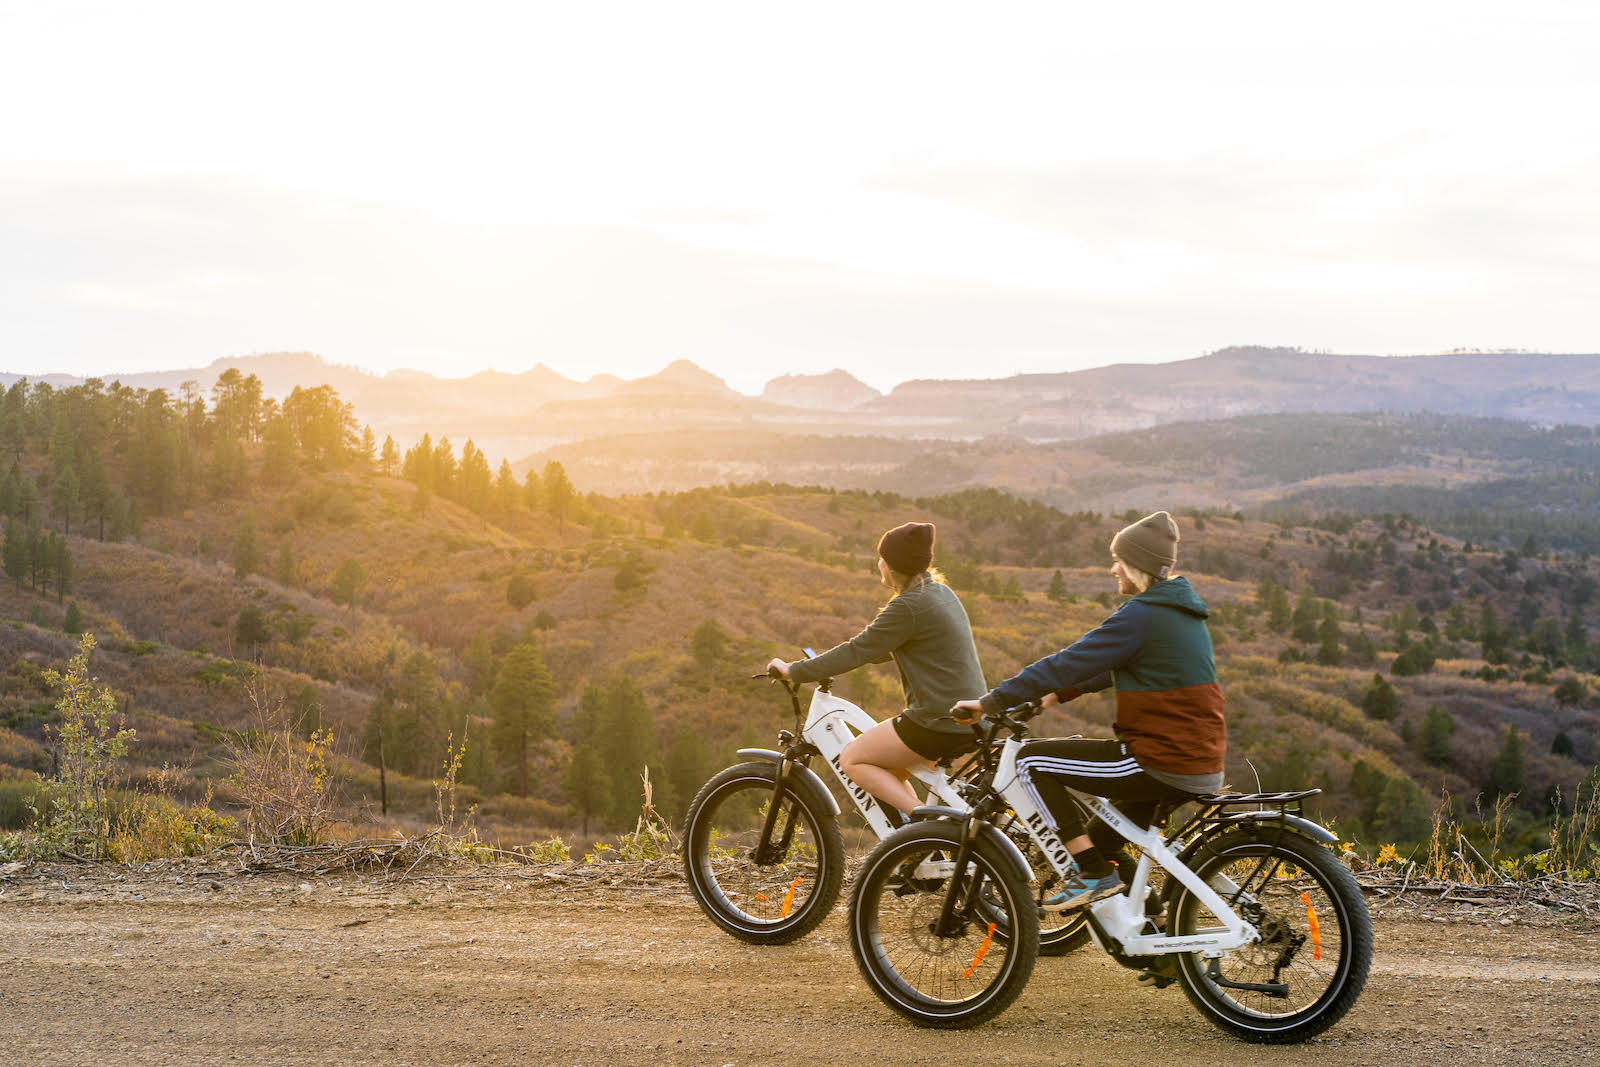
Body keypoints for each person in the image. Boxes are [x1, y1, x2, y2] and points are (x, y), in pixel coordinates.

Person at [954, 510, 1225, 910]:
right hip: (1198, 759)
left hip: (1160, 759)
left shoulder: (1140, 615)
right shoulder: (1180, 614)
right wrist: (1057, 696)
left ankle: (1092, 874)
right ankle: (1152, 924)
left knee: (1031, 762)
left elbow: (1065, 663)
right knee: (1102, 838)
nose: (1113, 567)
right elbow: (1113, 668)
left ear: (1138, 566)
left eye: (1119, 560)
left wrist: (991, 702)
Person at [766, 521, 986, 818]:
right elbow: (879, 648)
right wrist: (834, 658)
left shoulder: (908, 605)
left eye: (882, 557)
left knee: (853, 759)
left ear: (893, 566)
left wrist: (794, 670)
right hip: (968, 716)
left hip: (936, 721)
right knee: (886, 773)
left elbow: (857, 650)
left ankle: (927, 824)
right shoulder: (940, 593)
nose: (879, 562)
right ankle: (919, 841)